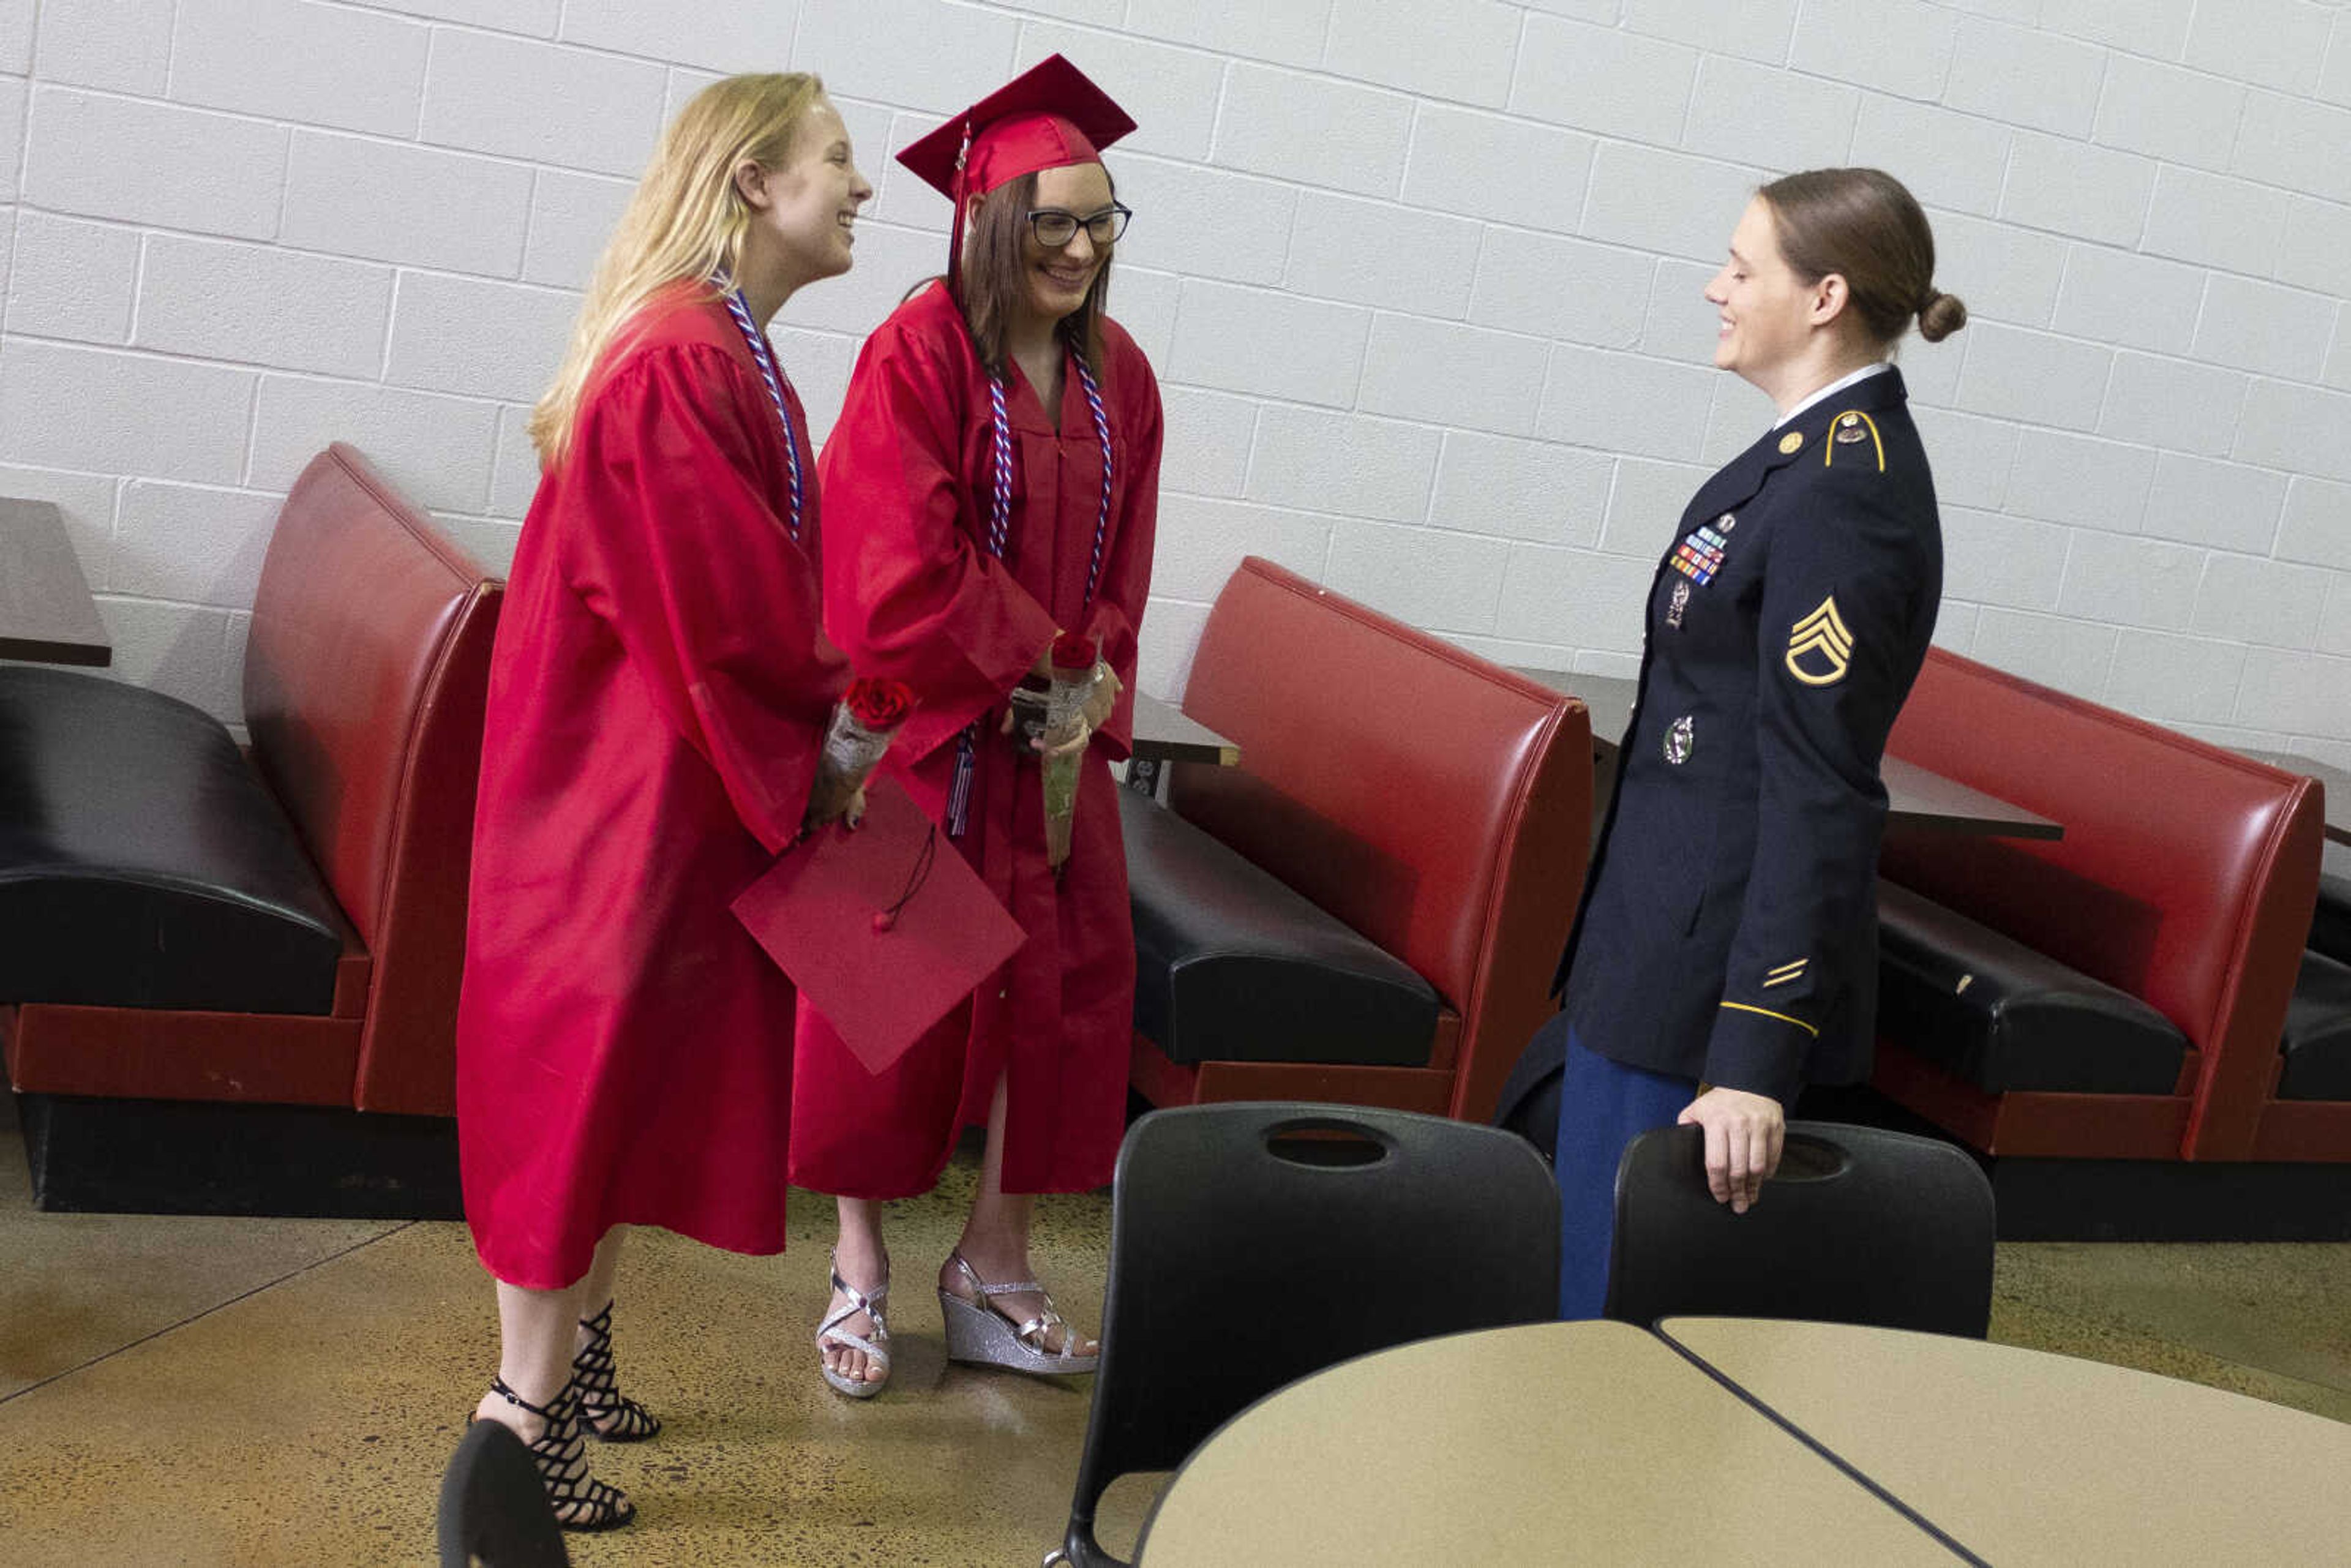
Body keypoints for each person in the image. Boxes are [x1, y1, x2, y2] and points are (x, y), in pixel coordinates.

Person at [455, 73, 872, 1527]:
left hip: (658, 792)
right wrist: (842, 715)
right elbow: (726, 608)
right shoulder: (678, 359)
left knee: (621, 1099)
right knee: (576, 1105)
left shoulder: (726, 345)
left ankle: (575, 1367)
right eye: (838, 161)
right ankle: (520, 1419)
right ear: (755, 182)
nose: (863, 187)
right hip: (614, 809)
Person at [1493, 168, 1965, 1318]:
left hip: (1705, 996)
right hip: (1653, 955)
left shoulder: (1845, 495)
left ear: (1824, 297)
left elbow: (1820, 794)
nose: (1717, 286)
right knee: (1579, 1299)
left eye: (1744, 268)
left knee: (1625, 1326)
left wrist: (1753, 1055)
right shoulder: (1799, 461)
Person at [795, 54, 1161, 1397]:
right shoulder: (916, 354)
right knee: (881, 1008)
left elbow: (1128, 562)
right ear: (986, 220)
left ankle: (994, 1269)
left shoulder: (1121, 376)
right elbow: (898, 568)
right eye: (1052, 219)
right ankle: (857, 1267)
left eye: (1102, 219)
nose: (1078, 246)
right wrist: (1044, 659)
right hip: (922, 731)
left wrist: (1094, 679)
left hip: (1051, 752)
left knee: (1051, 1007)